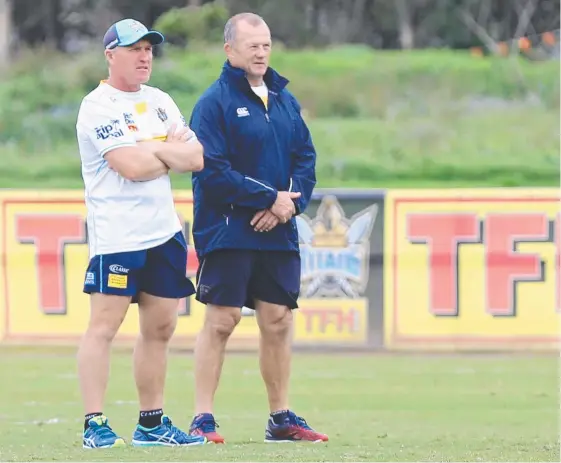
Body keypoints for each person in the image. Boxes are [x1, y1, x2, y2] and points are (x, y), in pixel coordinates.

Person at [187, 13, 329, 444]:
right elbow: (211, 169)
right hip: (229, 227)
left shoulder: (284, 100)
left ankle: (280, 418)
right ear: (229, 50)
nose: (261, 52)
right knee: (223, 319)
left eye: (266, 44)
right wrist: (268, 198)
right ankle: (202, 418)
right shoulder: (213, 103)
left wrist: (290, 203)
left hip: (279, 227)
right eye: (251, 45)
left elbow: (305, 158)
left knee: (278, 318)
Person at [75, 18, 207, 449]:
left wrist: (154, 151)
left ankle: (151, 423)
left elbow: (197, 157)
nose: (145, 56)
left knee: (161, 327)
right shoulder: (98, 105)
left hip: (164, 232)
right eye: (134, 49)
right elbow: (129, 168)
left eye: (149, 48)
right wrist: (168, 152)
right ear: (110, 54)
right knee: (104, 327)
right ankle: (94, 422)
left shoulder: (161, 101)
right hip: (118, 236)